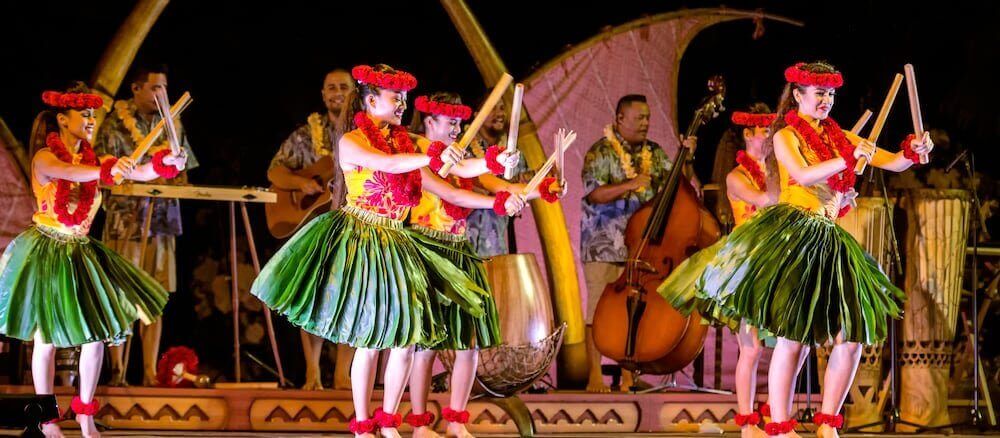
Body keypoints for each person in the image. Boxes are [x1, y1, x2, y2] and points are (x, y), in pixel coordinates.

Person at [0, 83, 186, 437]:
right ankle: (46, 417)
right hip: (46, 250)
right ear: (62, 120)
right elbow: (68, 173)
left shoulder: (93, 160)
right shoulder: (44, 157)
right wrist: (107, 169)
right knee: (46, 338)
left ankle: (84, 413)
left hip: (80, 251)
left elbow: (139, 172)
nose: (90, 120)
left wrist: (165, 164)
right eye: (84, 114)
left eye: (92, 115)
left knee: (95, 336)